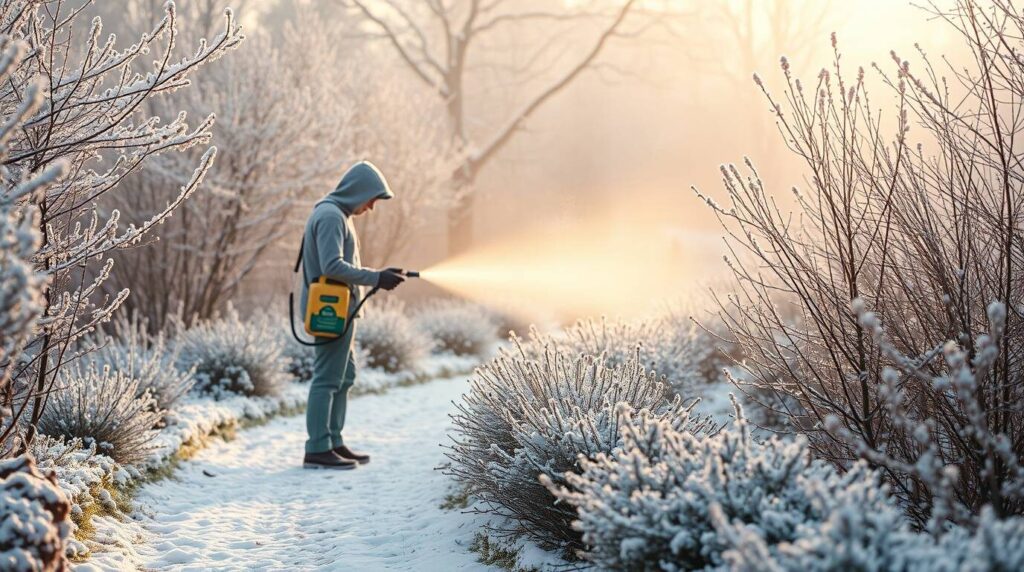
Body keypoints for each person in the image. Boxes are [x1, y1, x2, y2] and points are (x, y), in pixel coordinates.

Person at [299, 161, 406, 470]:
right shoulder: (332, 216)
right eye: (372, 199)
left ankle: (333, 441)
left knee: (344, 377)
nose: (371, 207)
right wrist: (376, 277)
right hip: (331, 310)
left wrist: (381, 276)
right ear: (358, 191)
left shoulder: (336, 215)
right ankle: (317, 448)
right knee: (327, 379)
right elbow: (332, 266)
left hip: (340, 309)